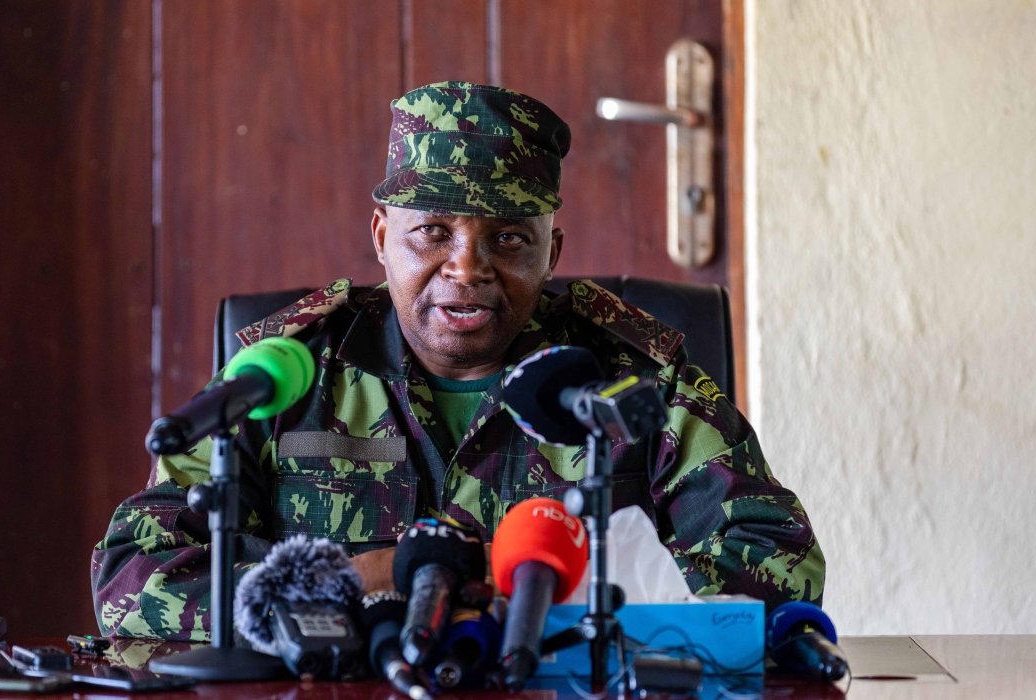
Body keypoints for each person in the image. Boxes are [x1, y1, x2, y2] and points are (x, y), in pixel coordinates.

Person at [91, 82, 824, 640]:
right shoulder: (287, 372)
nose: (464, 268)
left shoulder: (634, 381)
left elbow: (781, 566)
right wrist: (355, 580)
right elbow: (131, 573)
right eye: (432, 232)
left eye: (507, 238)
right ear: (382, 236)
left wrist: (549, 597)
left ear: (552, 253)